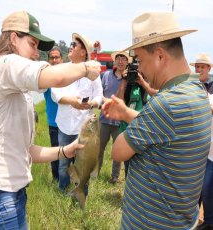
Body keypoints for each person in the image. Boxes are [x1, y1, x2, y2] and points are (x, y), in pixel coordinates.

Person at [0, 11, 101, 230]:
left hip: (12, 196)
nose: (35, 53)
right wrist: (86, 67)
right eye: (32, 44)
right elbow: (56, 77)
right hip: (0, 198)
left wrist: (64, 151)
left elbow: (26, 150)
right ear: (13, 39)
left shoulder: (15, 85)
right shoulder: (5, 63)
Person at [101, 12, 212, 229]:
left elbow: (118, 151)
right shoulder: (196, 91)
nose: (139, 68)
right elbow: (165, 130)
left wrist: (127, 117)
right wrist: (126, 113)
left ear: (160, 55)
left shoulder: (167, 103)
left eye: (140, 60)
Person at [51, 33, 103, 192]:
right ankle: (63, 192)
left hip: (85, 129)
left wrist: (92, 103)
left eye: (74, 45)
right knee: (63, 163)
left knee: (84, 162)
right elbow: (55, 93)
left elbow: (99, 95)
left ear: (83, 52)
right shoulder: (62, 69)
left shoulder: (94, 73)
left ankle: (81, 193)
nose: (70, 47)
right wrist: (72, 101)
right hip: (65, 125)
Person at [98, 51, 130, 184]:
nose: (121, 61)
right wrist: (108, 102)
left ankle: (115, 177)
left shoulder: (130, 79)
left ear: (127, 62)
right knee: (99, 149)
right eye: (119, 59)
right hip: (104, 120)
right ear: (115, 61)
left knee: (118, 151)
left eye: (124, 59)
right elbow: (98, 93)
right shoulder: (105, 75)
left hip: (120, 122)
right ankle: (96, 173)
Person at [190, 53, 213, 230]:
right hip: (196, 146)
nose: (198, 70)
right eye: (196, 66)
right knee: (195, 187)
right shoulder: (191, 87)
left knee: (207, 188)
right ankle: (192, 219)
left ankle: (209, 222)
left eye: (202, 67)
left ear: (209, 69)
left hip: (211, 148)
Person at [44, 46, 63, 181]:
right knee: (55, 152)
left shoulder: (68, 76)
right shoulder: (45, 78)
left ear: (62, 59)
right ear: (48, 60)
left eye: (57, 57)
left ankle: (69, 179)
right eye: (52, 58)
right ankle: (56, 179)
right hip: (54, 122)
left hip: (69, 122)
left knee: (71, 152)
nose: (55, 60)